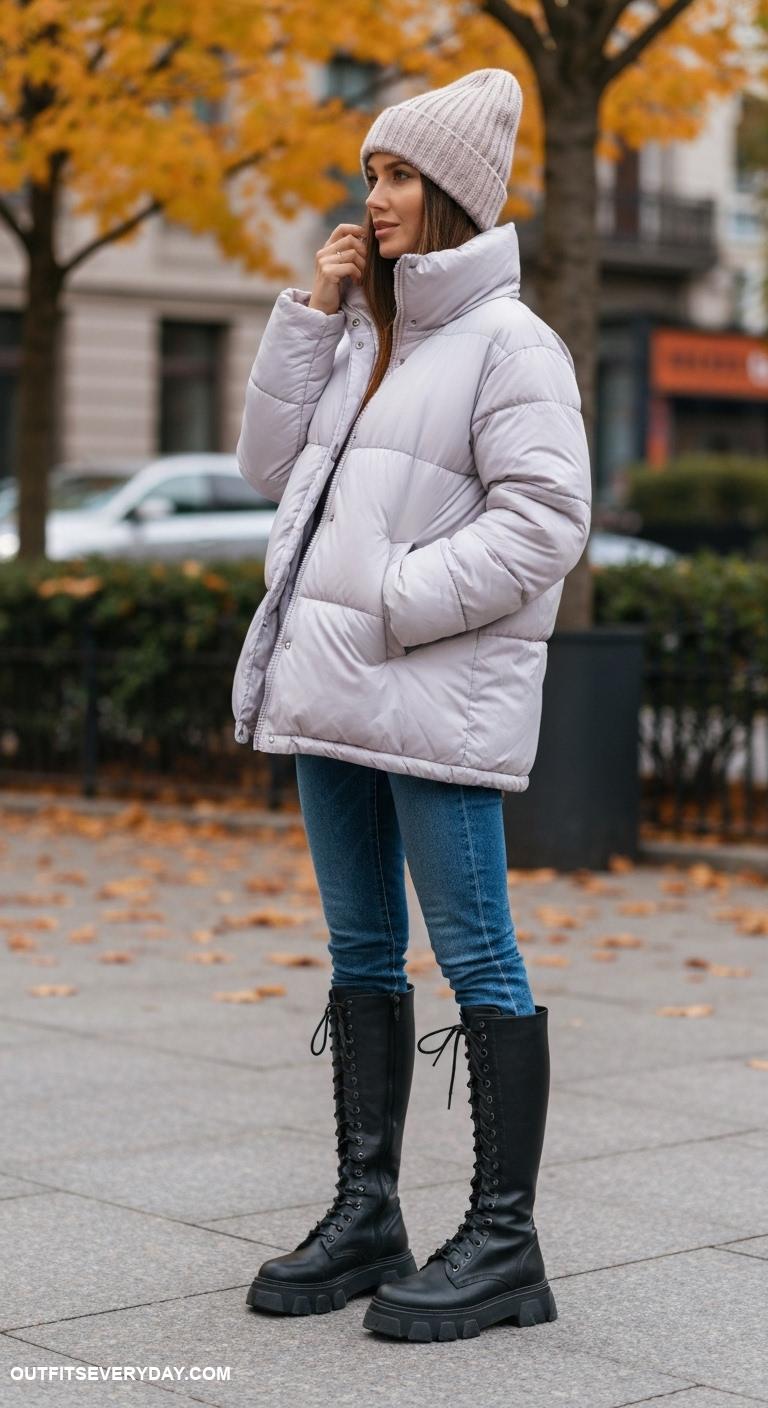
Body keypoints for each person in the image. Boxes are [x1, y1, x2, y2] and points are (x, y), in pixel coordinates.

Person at [233, 67, 591, 1341]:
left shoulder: (512, 344)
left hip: (426, 693)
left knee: (479, 950)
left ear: (448, 195)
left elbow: (546, 520)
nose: (371, 198)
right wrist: (310, 317)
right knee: (360, 954)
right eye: (370, 174)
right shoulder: (368, 334)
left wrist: (392, 597)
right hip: (329, 693)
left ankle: (505, 1240)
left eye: (393, 177)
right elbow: (263, 467)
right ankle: (366, 1208)